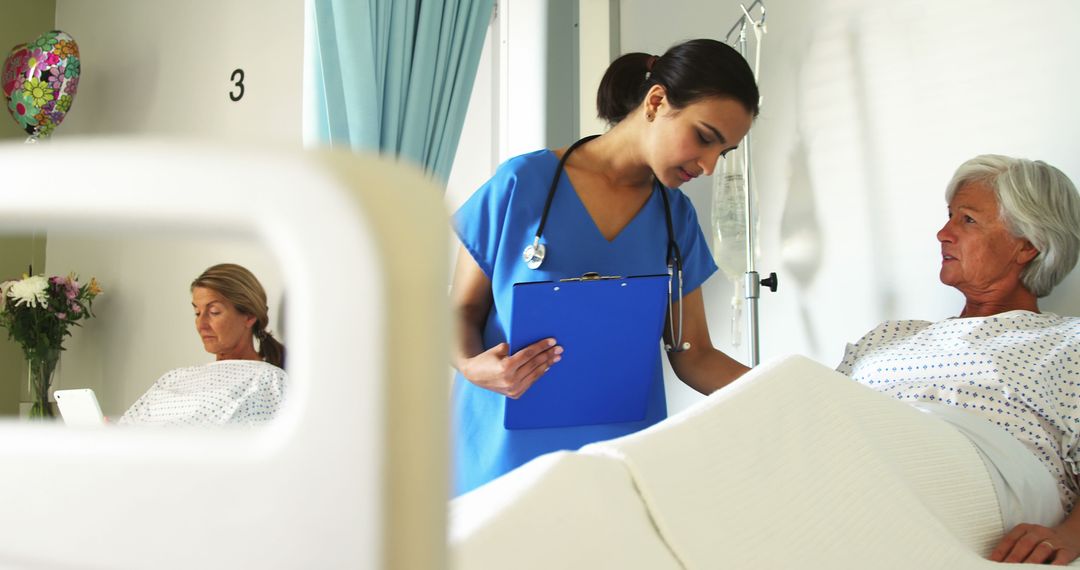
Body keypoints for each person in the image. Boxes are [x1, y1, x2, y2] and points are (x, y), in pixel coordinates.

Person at [450, 39, 757, 495]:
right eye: (705, 138)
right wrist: (471, 366)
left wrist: (797, 390)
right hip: (503, 462)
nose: (710, 166)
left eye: (723, 152)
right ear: (656, 101)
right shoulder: (522, 184)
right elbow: (460, 309)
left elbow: (694, 355)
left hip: (618, 467)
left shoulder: (677, 220)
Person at [836, 155, 1080, 564]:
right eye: (949, 217)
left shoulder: (1068, 342)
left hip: (981, 462)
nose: (942, 233)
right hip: (861, 448)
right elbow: (820, 415)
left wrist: (1073, 536)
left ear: (1028, 245)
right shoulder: (889, 336)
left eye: (966, 220)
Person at [119, 263, 287, 426]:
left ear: (249, 316)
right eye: (197, 313)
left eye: (214, 312)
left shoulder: (267, 380)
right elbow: (126, 425)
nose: (201, 324)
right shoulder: (175, 377)